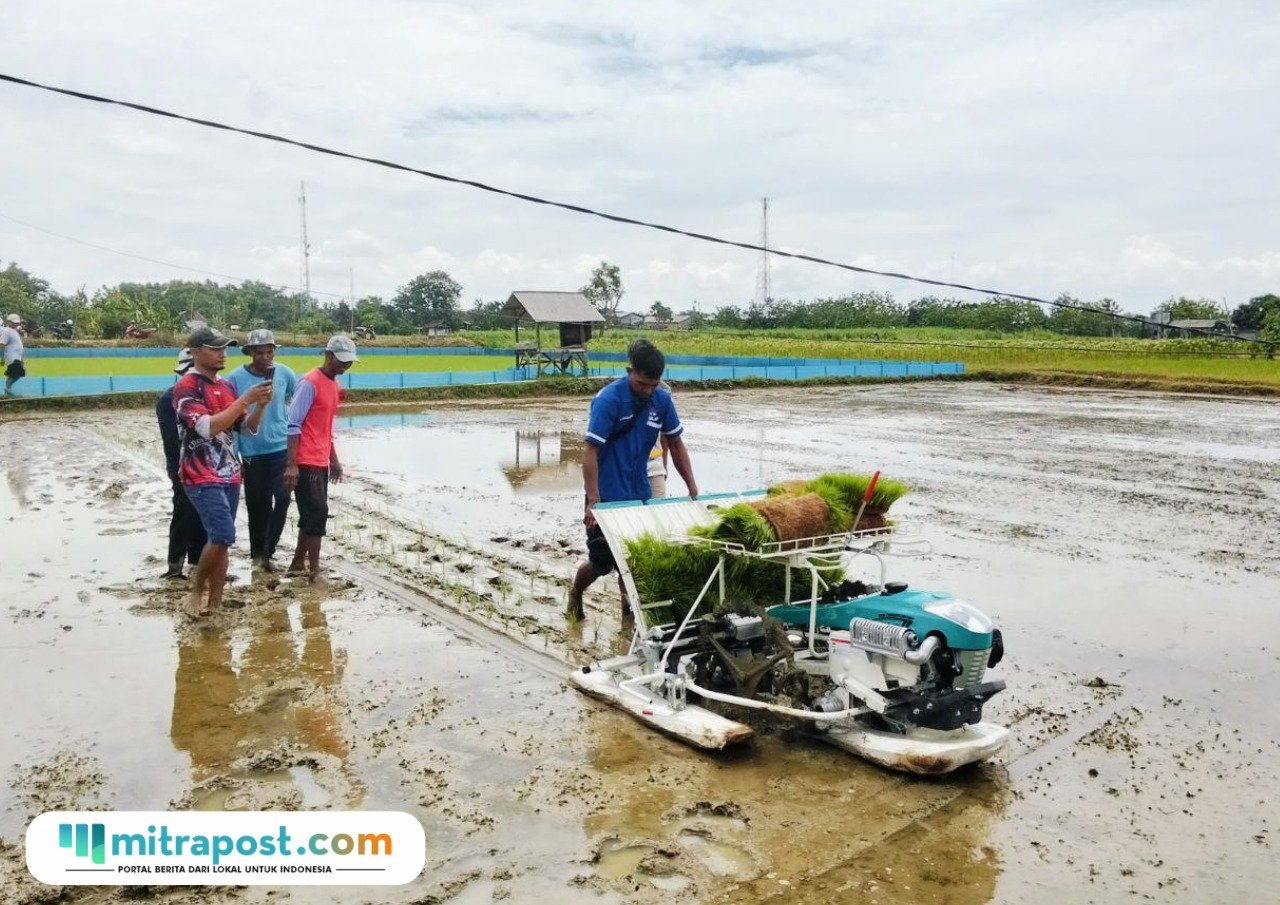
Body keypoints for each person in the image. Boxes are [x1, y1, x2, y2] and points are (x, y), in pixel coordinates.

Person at [567, 339, 697, 623]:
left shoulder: (661, 400)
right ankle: (576, 591)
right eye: (641, 384)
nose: (647, 391)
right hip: (607, 494)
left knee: (635, 557)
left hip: (639, 492)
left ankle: (629, 611)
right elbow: (590, 451)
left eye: (653, 384)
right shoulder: (609, 400)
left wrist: (692, 487)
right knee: (603, 563)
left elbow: (675, 443)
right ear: (630, 371)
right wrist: (593, 500)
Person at [173, 326, 272, 617]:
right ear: (195, 352)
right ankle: (195, 593)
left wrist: (261, 405)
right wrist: (245, 400)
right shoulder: (188, 387)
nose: (222, 354)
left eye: (224, 349)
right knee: (223, 534)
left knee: (222, 542)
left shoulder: (226, 386)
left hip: (230, 472)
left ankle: (214, 604)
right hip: (200, 472)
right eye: (215, 349)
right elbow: (206, 428)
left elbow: (246, 428)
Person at [284, 334, 357, 579]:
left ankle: (297, 564)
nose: (345, 366)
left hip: (320, 459)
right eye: (341, 360)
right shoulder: (309, 382)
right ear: (328, 356)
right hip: (305, 459)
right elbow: (293, 424)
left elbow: (326, 428)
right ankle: (314, 569)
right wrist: (292, 464)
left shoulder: (334, 385)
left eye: (349, 362)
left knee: (311, 514)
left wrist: (333, 460)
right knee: (318, 512)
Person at [226, 329, 298, 572]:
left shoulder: (285, 373)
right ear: (250, 353)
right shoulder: (235, 380)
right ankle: (259, 554)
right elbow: (233, 418)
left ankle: (269, 550)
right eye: (259, 352)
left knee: (284, 499)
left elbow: (293, 401)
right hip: (252, 452)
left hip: (280, 447)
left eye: (269, 351)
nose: (265, 356)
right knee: (258, 505)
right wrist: (235, 454)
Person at [157, 348, 207, 579]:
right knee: (184, 513)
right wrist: (178, 470)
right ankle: (175, 565)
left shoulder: (208, 394)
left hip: (208, 465)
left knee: (204, 514)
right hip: (182, 466)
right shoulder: (168, 400)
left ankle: (197, 563)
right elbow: (172, 440)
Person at [2, 314, 26, 396]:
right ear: (9, 322)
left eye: (17, 323)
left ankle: (7, 391)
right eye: (14, 323)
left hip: (17, 357)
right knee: (18, 373)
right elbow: (2, 344)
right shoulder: (6, 331)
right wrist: (2, 359)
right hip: (12, 357)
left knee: (12, 374)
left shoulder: (14, 331)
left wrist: (21, 359)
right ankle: (7, 388)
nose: (16, 324)